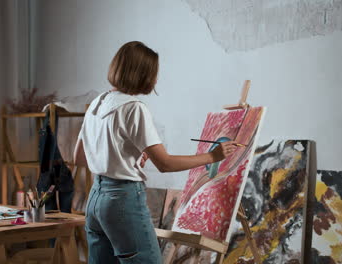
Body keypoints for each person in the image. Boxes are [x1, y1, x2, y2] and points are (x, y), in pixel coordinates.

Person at [73, 41, 237, 264]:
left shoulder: (96, 103)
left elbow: (79, 157)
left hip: (96, 201)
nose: (156, 79)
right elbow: (165, 164)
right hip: (122, 200)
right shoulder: (133, 107)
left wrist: (123, 155)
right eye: (154, 73)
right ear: (141, 74)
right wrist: (212, 157)